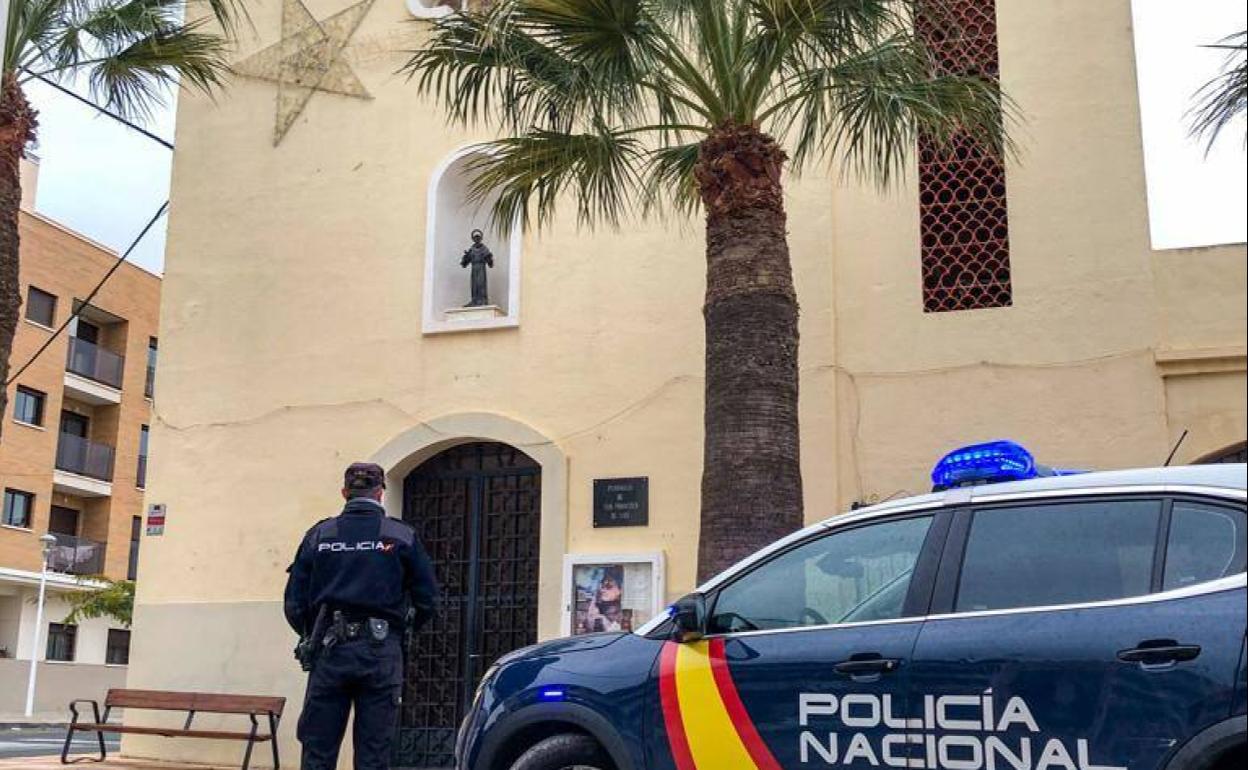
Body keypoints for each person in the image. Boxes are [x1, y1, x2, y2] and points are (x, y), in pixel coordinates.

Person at [284, 462, 438, 770]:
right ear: (380, 493)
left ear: (344, 493)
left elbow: (294, 602)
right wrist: (401, 633)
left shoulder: (320, 535)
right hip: (381, 653)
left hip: (329, 650)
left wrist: (311, 633)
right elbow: (428, 599)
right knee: (374, 751)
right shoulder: (400, 535)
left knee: (318, 749)